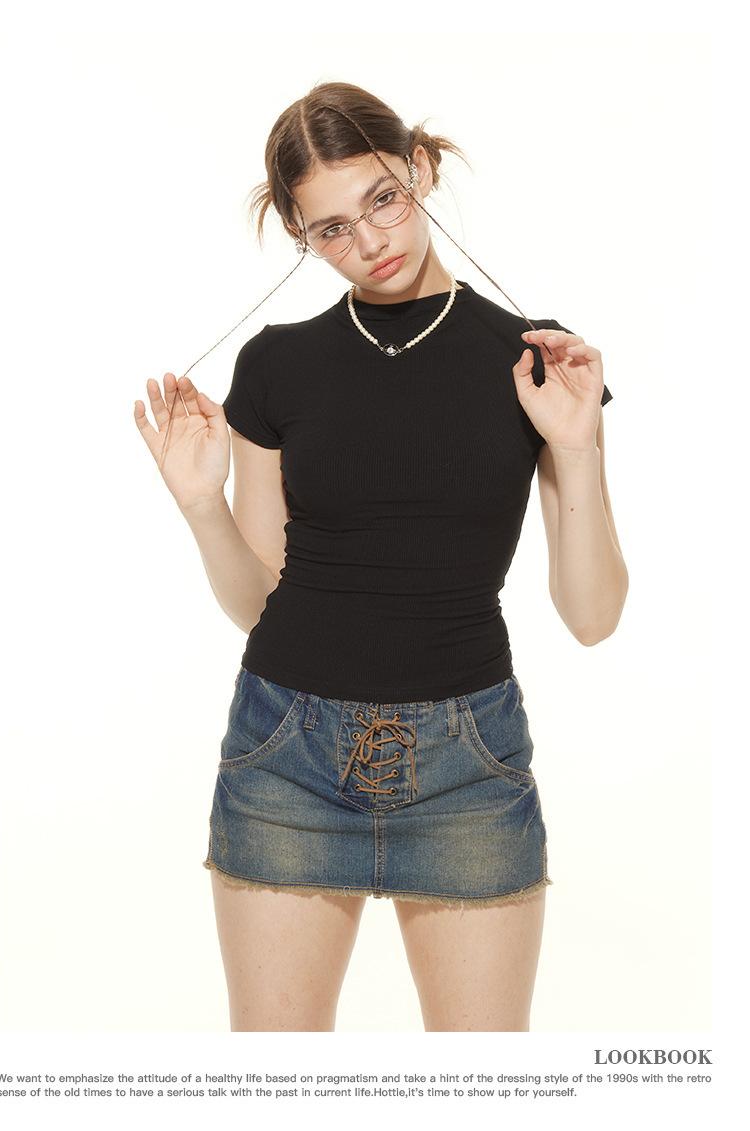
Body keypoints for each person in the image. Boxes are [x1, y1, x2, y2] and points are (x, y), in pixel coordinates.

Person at [134, 81, 629, 1032]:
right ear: (301, 234)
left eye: (384, 199)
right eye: (331, 228)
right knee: (277, 1087)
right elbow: (261, 603)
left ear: (422, 170)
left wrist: (575, 446)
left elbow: (593, 616)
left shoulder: (535, 361)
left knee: (480, 1088)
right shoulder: (275, 365)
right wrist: (202, 506)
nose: (369, 242)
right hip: (285, 754)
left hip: (468, 765)